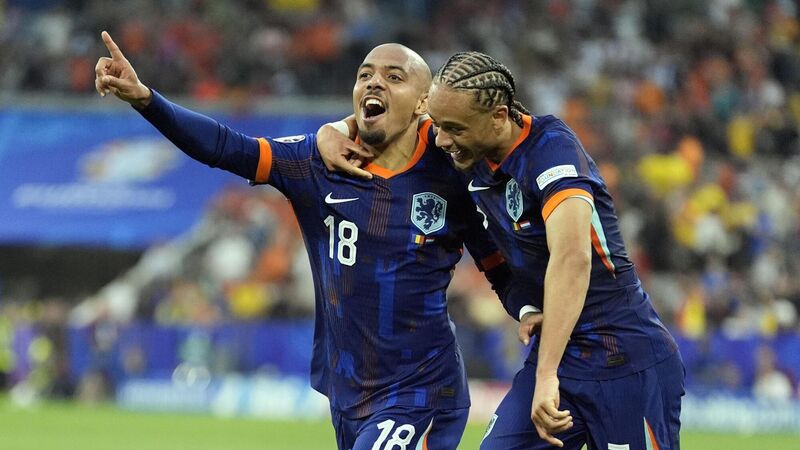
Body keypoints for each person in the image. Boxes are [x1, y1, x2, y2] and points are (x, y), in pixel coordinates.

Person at [94, 33, 532, 450]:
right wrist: (146, 100)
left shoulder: (452, 167)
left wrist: (530, 310)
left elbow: (494, 260)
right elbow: (225, 147)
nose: (374, 82)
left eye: (394, 76)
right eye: (365, 75)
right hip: (348, 391)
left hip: (422, 390)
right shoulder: (314, 163)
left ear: (423, 104)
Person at [325, 51, 685, 450]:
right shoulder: (466, 145)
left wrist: (546, 374)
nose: (441, 140)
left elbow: (572, 258)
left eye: (453, 129)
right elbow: (392, 118)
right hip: (559, 353)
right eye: (439, 126)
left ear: (498, 116)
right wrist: (332, 130)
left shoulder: (551, 149)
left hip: (626, 359)